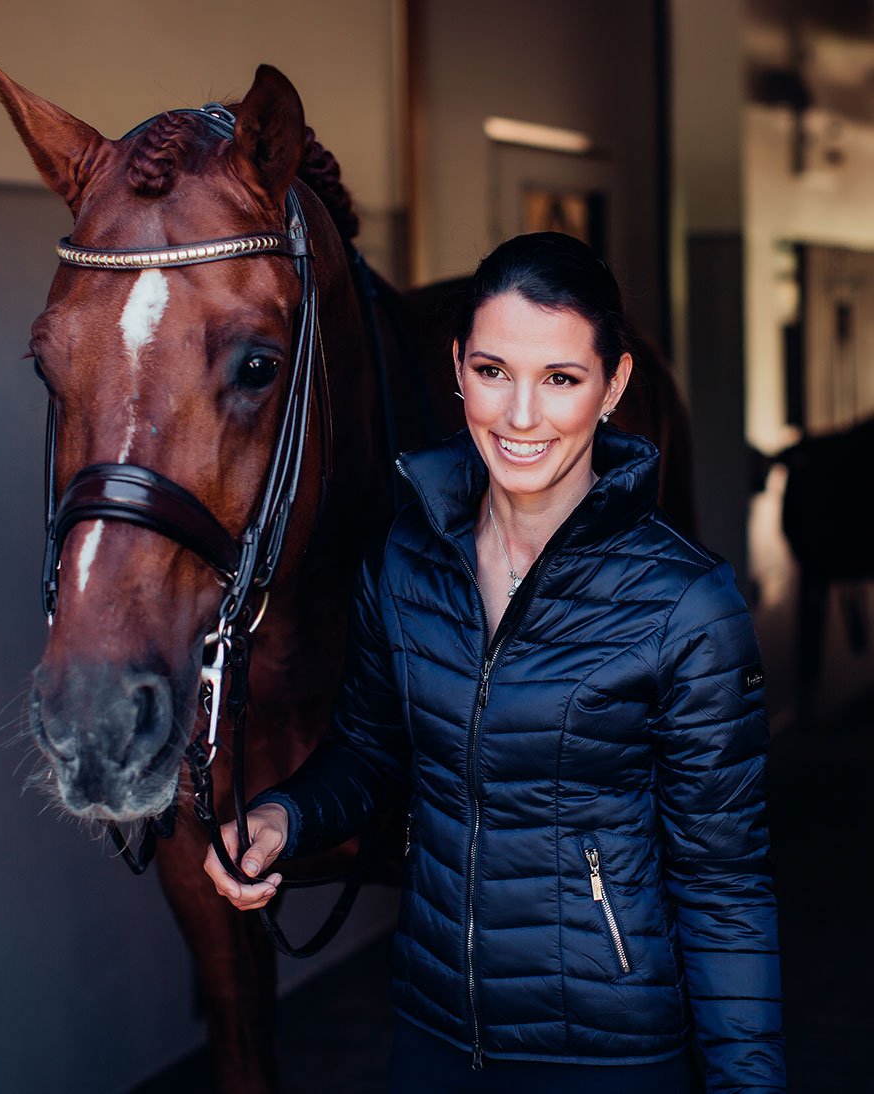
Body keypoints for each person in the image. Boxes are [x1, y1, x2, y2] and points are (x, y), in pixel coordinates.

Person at [203, 232, 786, 1092]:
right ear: (457, 369)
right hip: (436, 1035)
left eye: (560, 379)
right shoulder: (405, 561)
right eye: (491, 371)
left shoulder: (687, 607)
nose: (519, 416)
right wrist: (286, 817)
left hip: (610, 1058)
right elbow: (371, 751)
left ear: (613, 385)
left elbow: (725, 886)